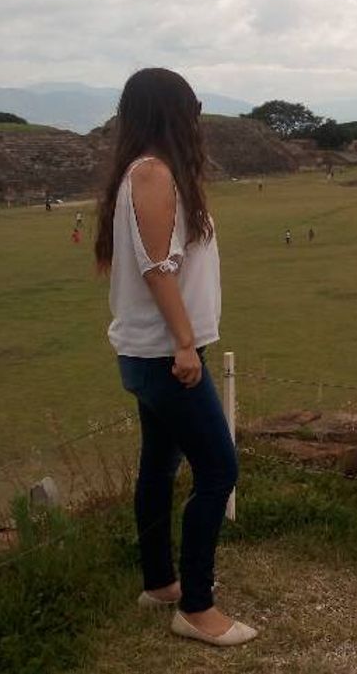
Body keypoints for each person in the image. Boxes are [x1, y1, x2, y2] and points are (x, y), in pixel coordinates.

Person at [95, 67, 255, 647]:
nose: (197, 117)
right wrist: (186, 344)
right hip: (167, 353)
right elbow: (158, 267)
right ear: (171, 111)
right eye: (192, 106)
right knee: (219, 470)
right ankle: (196, 606)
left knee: (159, 466)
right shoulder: (153, 173)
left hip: (154, 350)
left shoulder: (144, 171)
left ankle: (160, 581)